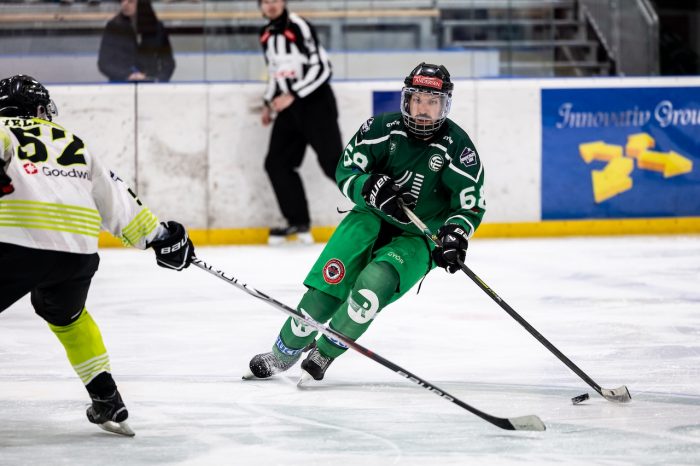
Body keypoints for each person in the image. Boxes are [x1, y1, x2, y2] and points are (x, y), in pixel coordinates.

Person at [246, 62, 486, 383]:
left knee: (372, 289)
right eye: (417, 100)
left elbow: (470, 204)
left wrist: (455, 234)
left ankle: (325, 352)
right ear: (406, 99)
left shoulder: (458, 148)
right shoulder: (380, 129)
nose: (423, 110)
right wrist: (368, 187)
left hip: (418, 237)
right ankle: (282, 353)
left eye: (433, 102)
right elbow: (346, 171)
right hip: (369, 218)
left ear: (445, 105)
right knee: (325, 292)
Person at [0, 75, 194, 435]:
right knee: (68, 317)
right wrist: (160, 237)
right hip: (77, 252)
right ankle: (107, 399)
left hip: (14, 243)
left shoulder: (3, 130)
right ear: (40, 109)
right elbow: (116, 200)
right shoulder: (73, 142)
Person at [258, 0, 343, 244]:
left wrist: (293, 94)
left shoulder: (299, 26)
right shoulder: (265, 35)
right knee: (277, 164)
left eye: (275, 0)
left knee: (334, 165)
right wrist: (268, 102)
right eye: (265, 1)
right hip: (289, 108)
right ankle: (298, 221)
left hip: (316, 104)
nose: (271, 5)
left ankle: (383, 207)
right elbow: (275, 72)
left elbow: (323, 67)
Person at [97, 0, 175, 83]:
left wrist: (158, 79)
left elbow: (168, 63)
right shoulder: (113, 27)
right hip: (121, 83)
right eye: (122, 1)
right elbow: (104, 63)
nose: (124, 4)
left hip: (150, 83)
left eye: (130, 1)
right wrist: (127, 75)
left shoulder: (157, 27)